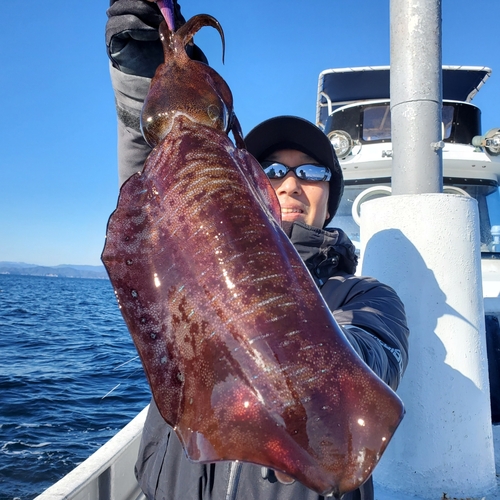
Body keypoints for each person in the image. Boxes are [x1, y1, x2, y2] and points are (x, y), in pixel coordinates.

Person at [105, 1, 410, 499]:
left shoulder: (366, 297)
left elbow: (375, 357)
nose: (290, 184)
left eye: (311, 173)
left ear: (330, 199)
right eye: (271, 171)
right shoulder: (191, 276)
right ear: (245, 183)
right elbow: (160, 192)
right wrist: (143, 77)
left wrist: (300, 380)